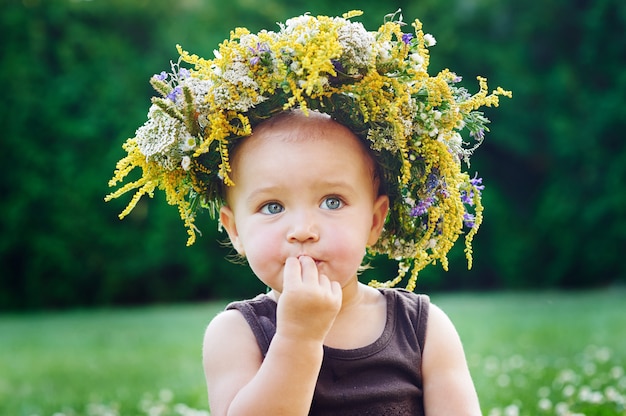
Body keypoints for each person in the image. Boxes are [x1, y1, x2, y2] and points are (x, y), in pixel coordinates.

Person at [106, 10, 510, 415]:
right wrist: (297, 338)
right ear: (235, 230)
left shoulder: (422, 329)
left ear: (374, 220)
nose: (302, 230)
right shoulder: (237, 334)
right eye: (272, 206)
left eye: (333, 201)